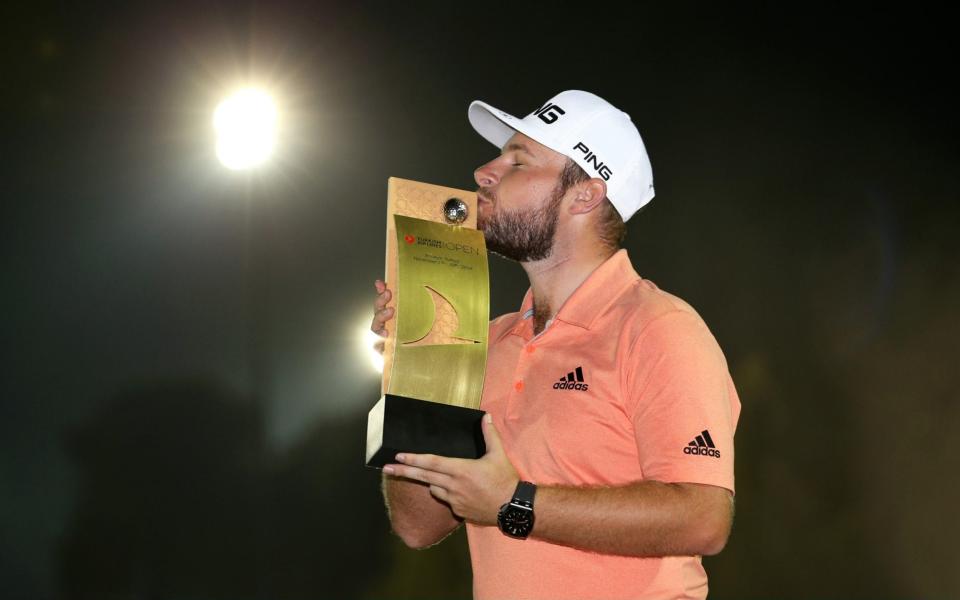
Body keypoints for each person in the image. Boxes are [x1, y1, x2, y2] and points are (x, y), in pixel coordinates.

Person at [370, 90, 741, 600]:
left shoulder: (659, 328)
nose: (484, 171)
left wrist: (515, 503)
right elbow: (419, 525)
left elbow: (703, 518)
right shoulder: (486, 340)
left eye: (519, 160)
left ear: (584, 196)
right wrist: (412, 368)